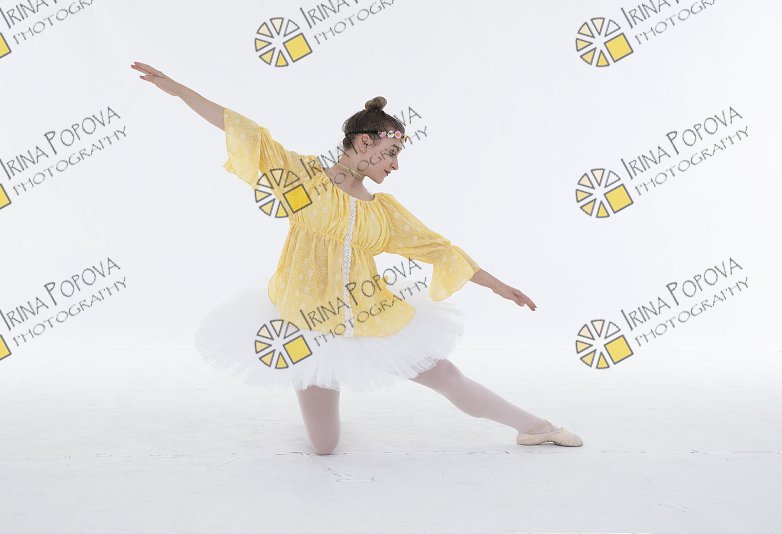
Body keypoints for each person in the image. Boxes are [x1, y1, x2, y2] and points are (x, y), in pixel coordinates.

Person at [131, 61, 583, 453]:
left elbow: (440, 249)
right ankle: (315, 393)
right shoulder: (303, 178)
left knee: (446, 376)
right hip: (307, 322)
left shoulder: (382, 213)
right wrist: (178, 89)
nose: (396, 165)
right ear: (363, 144)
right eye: (392, 153)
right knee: (325, 447)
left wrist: (499, 285)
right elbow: (247, 132)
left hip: (369, 315)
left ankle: (536, 427)